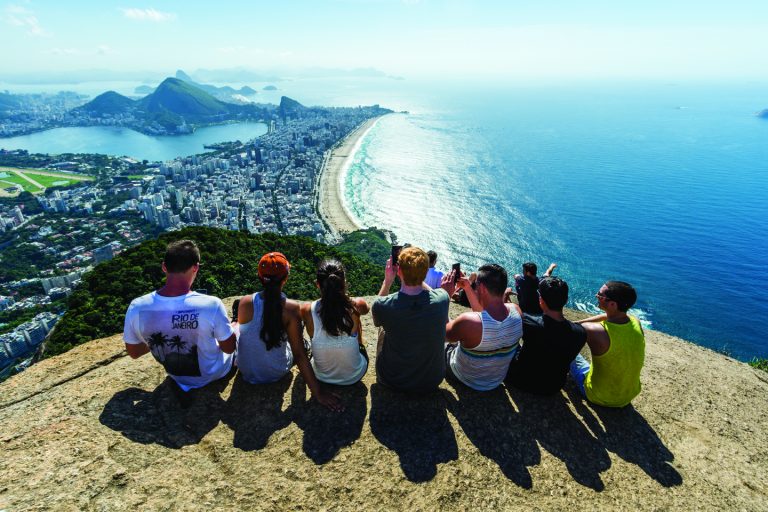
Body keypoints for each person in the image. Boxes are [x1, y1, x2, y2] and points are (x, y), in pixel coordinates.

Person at [122, 239, 236, 392]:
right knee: (239, 328)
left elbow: (134, 352)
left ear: (164, 267)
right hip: (215, 374)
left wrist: (159, 338)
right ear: (195, 267)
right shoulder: (211, 305)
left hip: (176, 377)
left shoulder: (137, 307)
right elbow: (229, 348)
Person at [236, 252, 342, 411]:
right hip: (276, 372)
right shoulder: (291, 309)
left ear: (259, 276)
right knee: (303, 344)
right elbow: (299, 355)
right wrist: (318, 393)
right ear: (285, 278)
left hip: (247, 372)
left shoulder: (244, 302)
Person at [372, 246, 456, 393]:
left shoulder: (382, 305)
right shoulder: (442, 298)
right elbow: (435, 293)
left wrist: (387, 281)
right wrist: (418, 274)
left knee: (383, 328)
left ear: (399, 271)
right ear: (426, 273)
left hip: (392, 379)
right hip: (431, 380)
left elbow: (376, 316)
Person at [445, 264, 523, 391]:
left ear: (481, 288)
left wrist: (446, 295)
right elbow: (485, 317)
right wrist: (468, 288)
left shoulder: (469, 322)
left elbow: (440, 334)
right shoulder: (516, 310)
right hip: (495, 380)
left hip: (465, 377)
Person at [505, 277, 587, 394]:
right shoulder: (580, 333)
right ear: (566, 299)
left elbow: (504, 319)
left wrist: (505, 297)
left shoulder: (527, 322)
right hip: (552, 387)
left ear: (541, 300)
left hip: (519, 380)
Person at [569, 281, 645, 408]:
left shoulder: (595, 331)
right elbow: (607, 316)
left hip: (599, 396)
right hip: (628, 396)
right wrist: (578, 321)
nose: (596, 296)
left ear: (612, 304)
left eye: (599, 295)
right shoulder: (635, 321)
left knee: (571, 353)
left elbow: (567, 335)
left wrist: (574, 325)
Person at [299, 259, 370, 386]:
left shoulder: (306, 310)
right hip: (355, 375)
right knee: (356, 319)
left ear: (318, 284)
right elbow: (366, 309)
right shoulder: (356, 305)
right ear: (344, 283)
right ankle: (357, 343)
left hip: (320, 376)